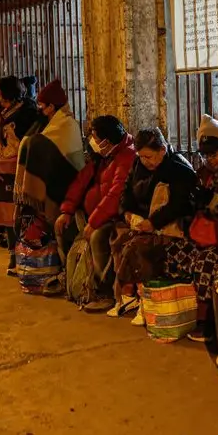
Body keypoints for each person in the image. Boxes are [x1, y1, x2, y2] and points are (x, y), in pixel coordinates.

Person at [163, 114, 218, 342]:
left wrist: (211, 200)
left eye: (213, 154)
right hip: (205, 233)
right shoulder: (206, 173)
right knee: (173, 252)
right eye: (204, 155)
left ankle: (209, 322)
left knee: (206, 263)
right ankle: (185, 311)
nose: (208, 160)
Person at [110, 127, 197, 320]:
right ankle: (127, 296)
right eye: (141, 156)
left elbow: (179, 205)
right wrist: (128, 214)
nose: (145, 161)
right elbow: (126, 193)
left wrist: (153, 222)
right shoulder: (138, 164)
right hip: (142, 222)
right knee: (117, 237)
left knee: (139, 247)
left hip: (170, 227)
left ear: (162, 151)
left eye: (149, 156)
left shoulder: (178, 169)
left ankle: (144, 299)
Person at [12, 79, 86, 294]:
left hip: (67, 185)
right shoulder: (51, 122)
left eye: (43, 106)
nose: (40, 110)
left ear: (52, 106)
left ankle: (66, 271)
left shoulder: (67, 124)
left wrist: (32, 144)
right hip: (57, 184)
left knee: (65, 231)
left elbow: (61, 156)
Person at [55, 115, 135, 310]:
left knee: (98, 237)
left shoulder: (126, 157)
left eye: (95, 138)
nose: (92, 141)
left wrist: (94, 222)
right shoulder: (102, 156)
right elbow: (81, 182)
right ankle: (73, 276)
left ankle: (103, 291)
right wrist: (67, 209)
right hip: (93, 214)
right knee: (63, 226)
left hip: (114, 217)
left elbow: (115, 196)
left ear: (107, 140)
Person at [0, 77, 39, 274]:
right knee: (6, 213)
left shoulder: (29, 113)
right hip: (0, 170)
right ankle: (12, 253)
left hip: (20, 170)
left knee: (22, 212)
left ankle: (25, 253)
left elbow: (32, 144)